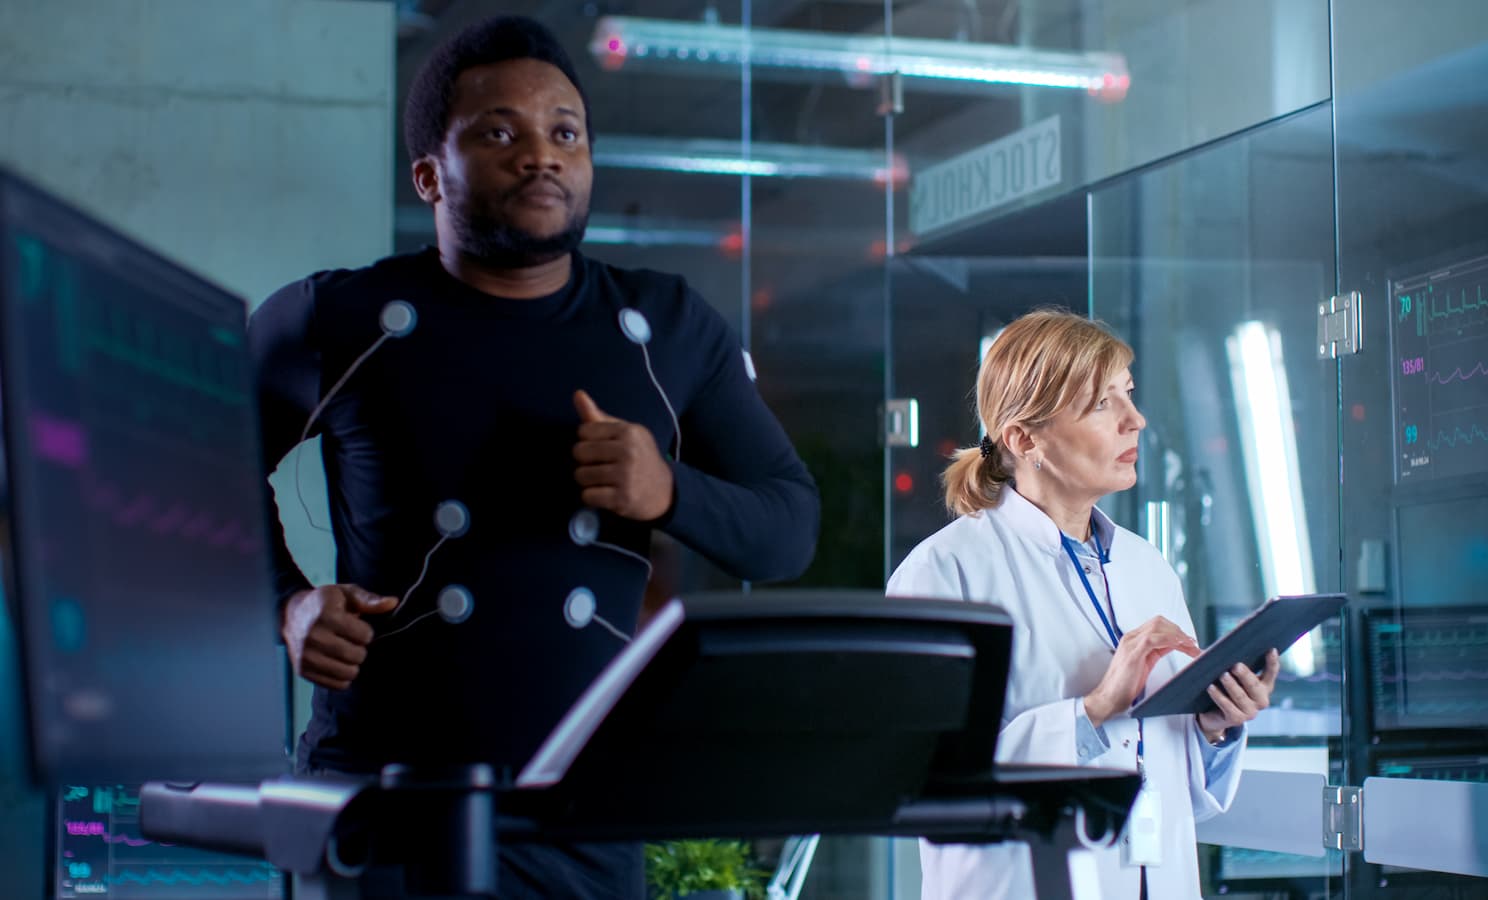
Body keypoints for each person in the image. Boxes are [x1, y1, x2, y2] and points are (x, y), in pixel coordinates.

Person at [250, 14, 820, 898]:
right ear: (429, 174)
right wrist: (286, 605)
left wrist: (669, 491)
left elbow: (788, 529)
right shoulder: (339, 320)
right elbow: (193, 478)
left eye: (565, 133)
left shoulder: (665, 328)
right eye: (500, 132)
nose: (542, 155)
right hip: (382, 808)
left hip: (583, 817)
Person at [886, 309, 1277, 899]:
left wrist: (1214, 725)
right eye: (1102, 404)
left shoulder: (1148, 567)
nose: (1136, 420)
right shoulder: (943, 575)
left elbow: (1178, 783)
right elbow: (925, 783)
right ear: (1024, 439)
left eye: (1130, 394)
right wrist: (1091, 711)